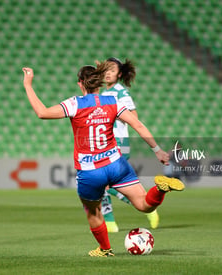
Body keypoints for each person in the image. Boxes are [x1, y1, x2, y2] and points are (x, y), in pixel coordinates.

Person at [22, 62, 184, 257]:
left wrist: (28, 85)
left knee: (93, 211)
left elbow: (42, 113)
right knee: (143, 204)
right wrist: (157, 150)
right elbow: (138, 125)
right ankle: (159, 189)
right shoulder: (112, 101)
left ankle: (105, 249)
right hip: (116, 163)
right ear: (99, 82)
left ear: (80, 83)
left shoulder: (74, 103)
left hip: (90, 170)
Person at [100, 57, 159, 233]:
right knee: (104, 185)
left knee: (103, 184)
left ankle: (112, 221)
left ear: (119, 74)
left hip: (117, 142)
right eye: (106, 69)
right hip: (106, 143)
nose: (108, 73)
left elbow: (133, 116)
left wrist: (116, 116)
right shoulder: (104, 94)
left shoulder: (120, 92)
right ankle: (145, 206)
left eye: (112, 70)